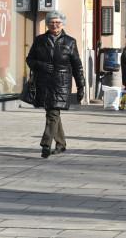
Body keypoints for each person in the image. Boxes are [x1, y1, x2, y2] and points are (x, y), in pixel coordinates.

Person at [26, 11, 86, 158]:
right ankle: (61, 144)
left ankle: (46, 144)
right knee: (53, 113)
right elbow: (30, 60)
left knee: (53, 113)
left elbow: (77, 65)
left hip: (61, 83)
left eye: (58, 22)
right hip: (44, 83)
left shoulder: (70, 42)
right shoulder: (40, 40)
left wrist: (81, 86)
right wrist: (41, 65)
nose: (55, 25)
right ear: (47, 24)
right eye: (52, 22)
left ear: (62, 24)